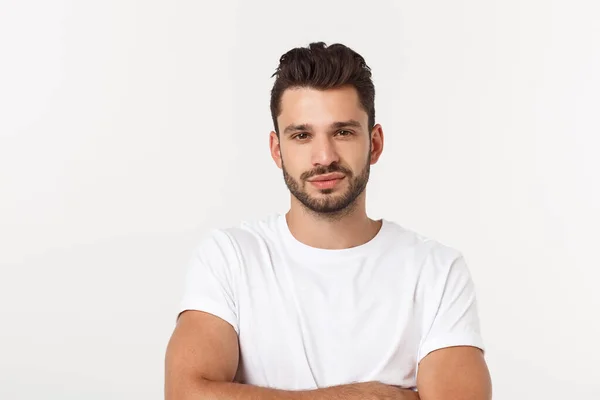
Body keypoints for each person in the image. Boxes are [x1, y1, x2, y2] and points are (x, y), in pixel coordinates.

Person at [164, 42, 492, 400]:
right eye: (302, 135)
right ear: (277, 149)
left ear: (375, 143)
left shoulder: (437, 271)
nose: (324, 157)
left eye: (343, 132)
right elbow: (185, 393)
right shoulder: (229, 258)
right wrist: (359, 396)